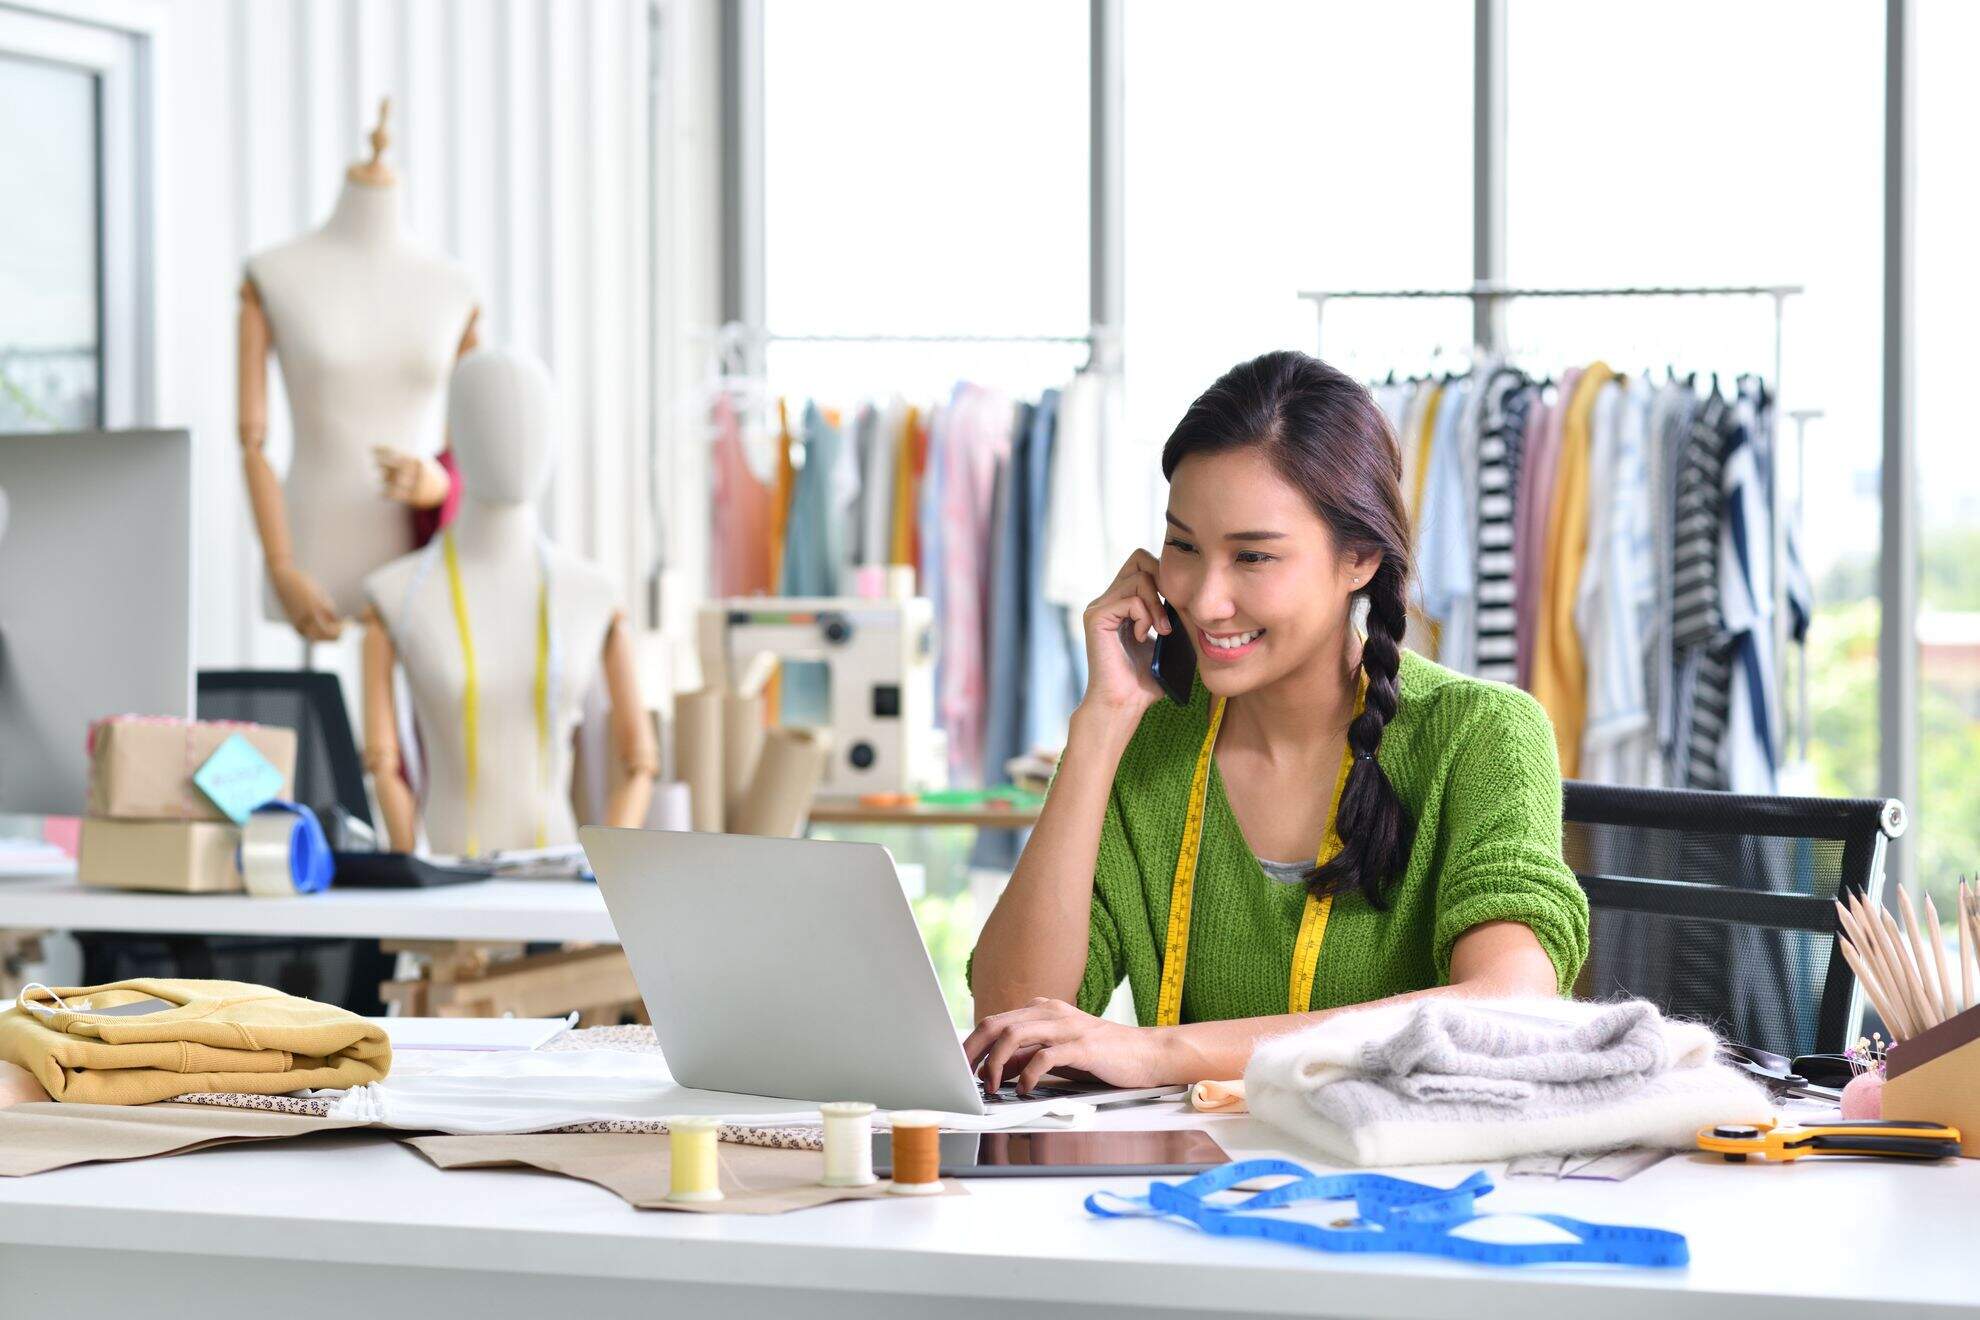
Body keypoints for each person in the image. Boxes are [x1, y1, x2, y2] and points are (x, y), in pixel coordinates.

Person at [965, 350, 1589, 1094]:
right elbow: (1010, 1022)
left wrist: (1164, 1053)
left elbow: (1512, 1009)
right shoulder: (1145, 738)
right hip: (1191, 1187)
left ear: (1358, 557)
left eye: (1253, 557)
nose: (1204, 598)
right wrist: (1102, 725)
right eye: (1183, 546)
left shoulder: (1481, 734)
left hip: (1414, 1185)